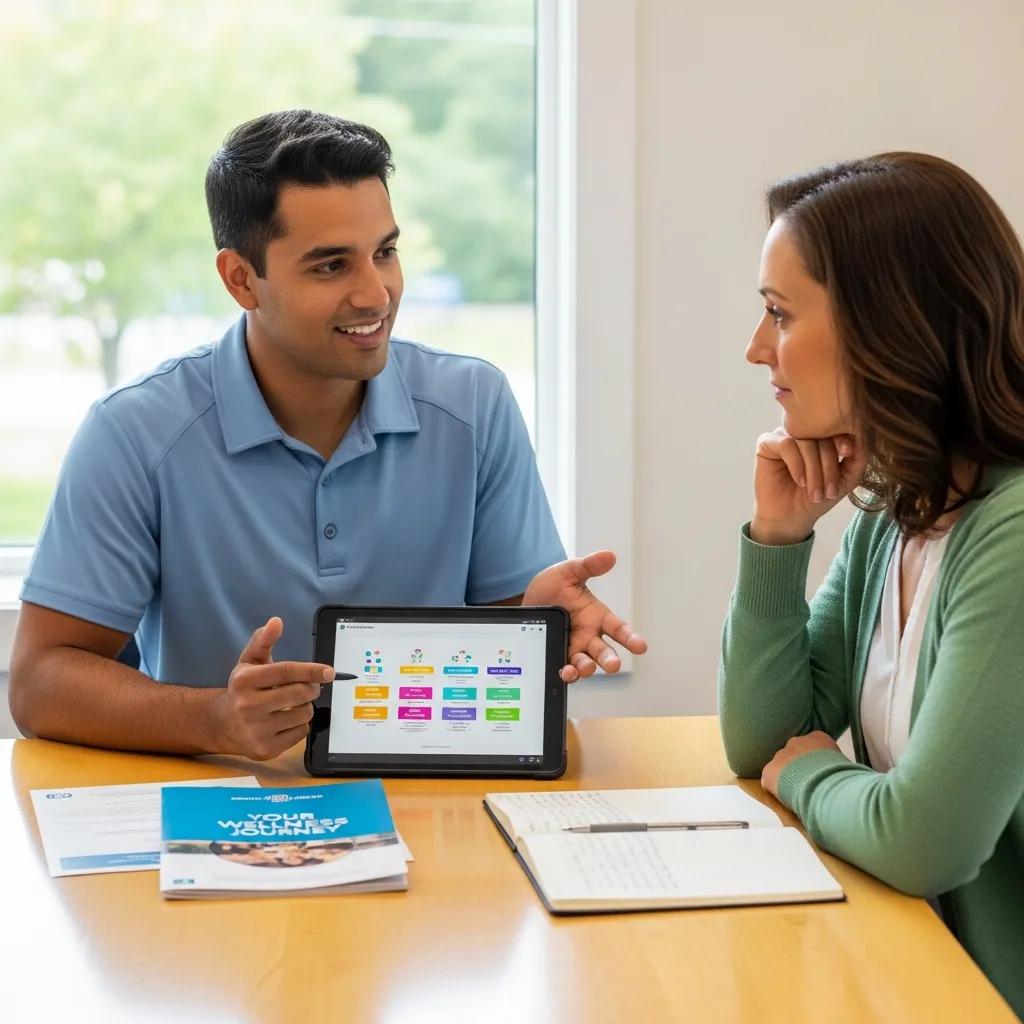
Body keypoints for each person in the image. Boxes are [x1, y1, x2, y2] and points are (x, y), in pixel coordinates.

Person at [9, 109, 646, 760]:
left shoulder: (475, 405)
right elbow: (39, 683)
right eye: (330, 266)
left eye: (385, 253)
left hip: (430, 805)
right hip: (221, 812)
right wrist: (216, 720)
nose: (376, 294)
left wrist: (531, 628)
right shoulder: (134, 433)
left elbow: (504, 665)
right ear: (240, 280)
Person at [719, 152, 1024, 1015]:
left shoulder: (1014, 531)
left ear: (891, 324)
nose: (755, 349)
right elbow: (762, 739)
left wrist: (812, 776)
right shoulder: (903, 511)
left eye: (780, 314)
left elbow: (923, 840)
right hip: (919, 971)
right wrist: (779, 538)